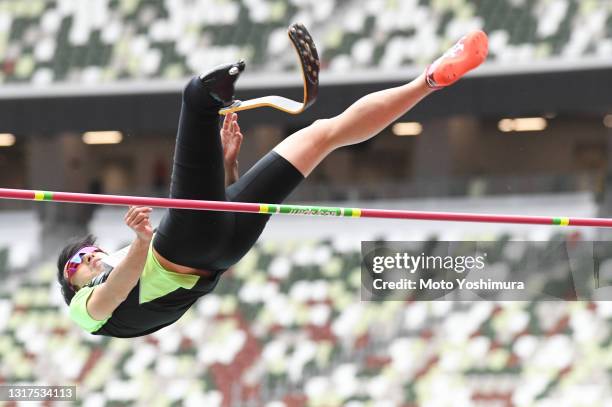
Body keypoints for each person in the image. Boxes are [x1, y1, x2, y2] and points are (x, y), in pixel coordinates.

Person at [57, 30, 489, 337]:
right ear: (70, 287)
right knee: (195, 97)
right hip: (187, 247)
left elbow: (192, 236)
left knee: (321, 135)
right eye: (77, 264)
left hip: (221, 244)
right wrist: (138, 241)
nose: (89, 259)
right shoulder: (85, 311)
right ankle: (214, 93)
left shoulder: (119, 268)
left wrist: (228, 170)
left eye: (90, 252)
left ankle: (429, 79)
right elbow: (120, 285)